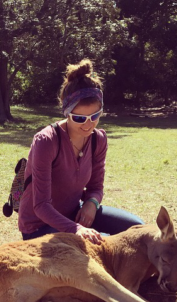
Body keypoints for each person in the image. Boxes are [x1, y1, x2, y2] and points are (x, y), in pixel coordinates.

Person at [18, 59, 143, 243]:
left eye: (95, 116)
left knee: (138, 230)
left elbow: (96, 187)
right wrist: (77, 229)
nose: (88, 124)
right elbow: (41, 205)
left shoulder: (98, 139)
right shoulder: (46, 141)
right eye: (79, 118)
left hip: (74, 215)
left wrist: (92, 204)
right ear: (66, 113)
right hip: (38, 226)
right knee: (105, 243)